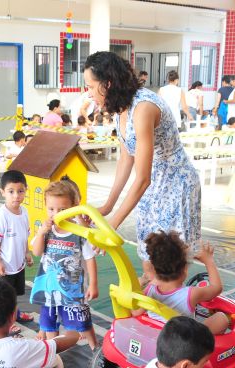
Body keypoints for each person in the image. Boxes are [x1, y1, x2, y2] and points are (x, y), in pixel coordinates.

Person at [83, 51, 201, 282]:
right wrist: (108, 206)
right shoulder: (120, 107)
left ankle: (174, 307)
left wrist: (113, 224)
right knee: (148, 256)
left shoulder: (143, 107)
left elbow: (142, 178)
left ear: (107, 84)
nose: (88, 93)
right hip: (150, 187)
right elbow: (127, 157)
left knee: (169, 263)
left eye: (90, 86)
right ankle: (152, 297)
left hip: (175, 185)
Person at [30, 180, 98, 350]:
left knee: (82, 322)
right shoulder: (47, 230)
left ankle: (94, 347)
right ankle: (53, 353)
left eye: (62, 210)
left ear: (74, 208)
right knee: (49, 324)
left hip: (72, 292)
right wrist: (41, 233)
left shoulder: (78, 232)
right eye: (51, 209)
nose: (56, 214)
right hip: (49, 291)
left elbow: (90, 259)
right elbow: (37, 252)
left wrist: (93, 284)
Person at [132, 231, 228, 335]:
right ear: (184, 269)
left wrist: (138, 287)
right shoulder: (191, 294)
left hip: (158, 334)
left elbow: (135, 312)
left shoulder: (149, 289)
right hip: (183, 339)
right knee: (221, 318)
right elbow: (216, 287)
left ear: (154, 268)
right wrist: (209, 261)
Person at [0, 170, 35, 333]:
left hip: (18, 265)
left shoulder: (25, 213)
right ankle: (5, 322)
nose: (16, 196)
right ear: (2, 192)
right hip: (3, 266)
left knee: (13, 294)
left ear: (26, 191)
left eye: (20, 191)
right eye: (11, 192)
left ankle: (15, 315)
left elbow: (25, 236)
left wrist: (27, 253)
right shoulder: (1, 215)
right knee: (2, 297)